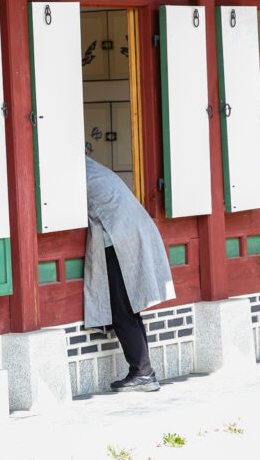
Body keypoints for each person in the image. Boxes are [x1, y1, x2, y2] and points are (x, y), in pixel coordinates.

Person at [83, 157, 175, 392]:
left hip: (119, 240)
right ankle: (144, 371)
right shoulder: (94, 168)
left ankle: (142, 372)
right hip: (128, 234)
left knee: (121, 309)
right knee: (130, 308)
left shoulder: (76, 172)